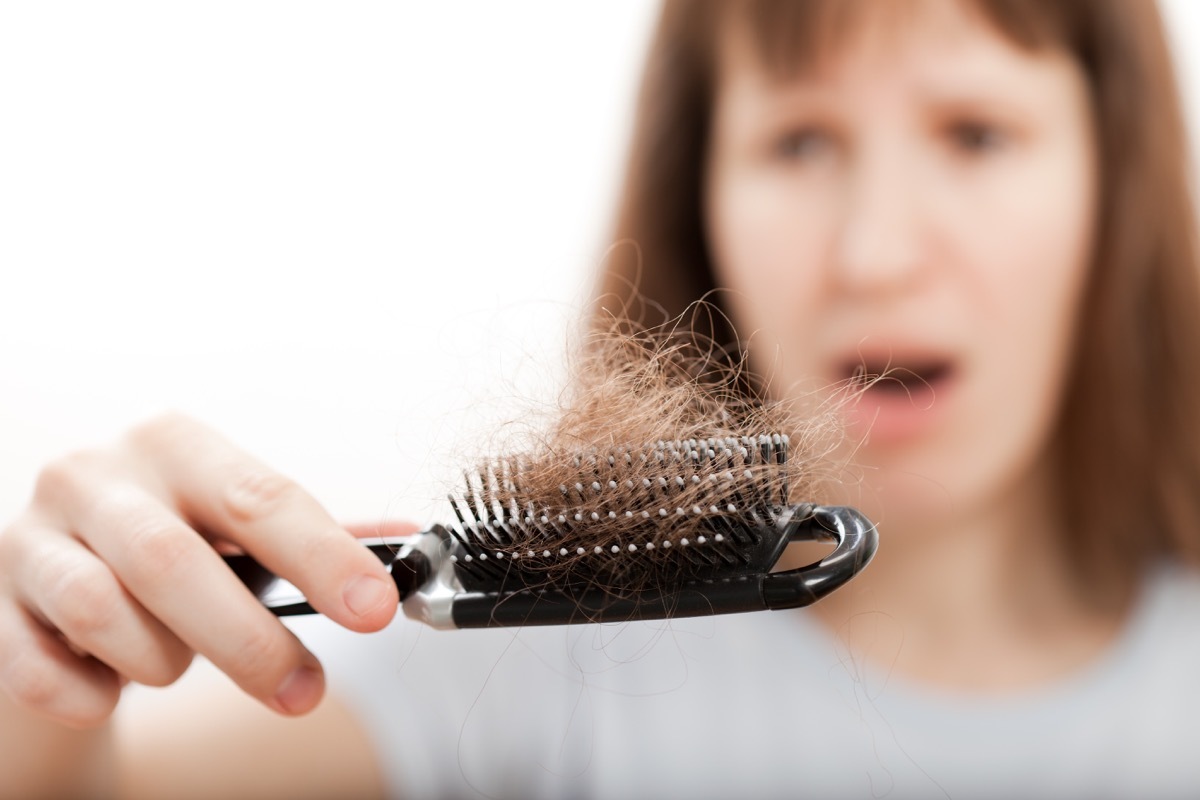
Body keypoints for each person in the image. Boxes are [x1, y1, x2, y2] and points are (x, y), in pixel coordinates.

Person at [4, 0, 1200, 797]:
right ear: (702, 203)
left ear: (1115, 182)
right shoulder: (529, 665)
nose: (878, 251)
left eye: (977, 132)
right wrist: (44, 679)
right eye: (797, 141)